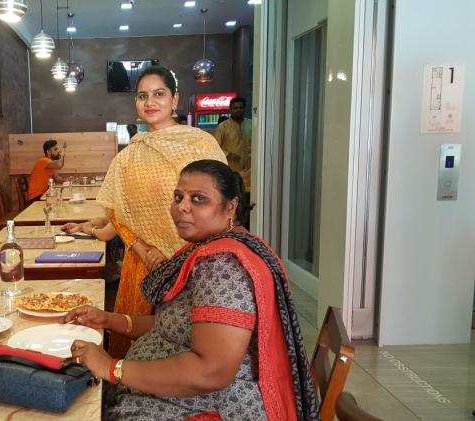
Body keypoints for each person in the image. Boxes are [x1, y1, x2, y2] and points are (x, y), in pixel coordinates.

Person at [63, 160, 319, 421]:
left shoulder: (223, 266)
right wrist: (108, 320)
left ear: (230, 207)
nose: (182, 207)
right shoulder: (215, 247)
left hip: (206, 409)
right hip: (173, 397)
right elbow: (175, 325)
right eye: (179, 197)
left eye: (198, 199)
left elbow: (211, 372)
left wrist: (111, 368)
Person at [97, 65, 227, 358]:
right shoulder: (128, 156)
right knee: (136, 351)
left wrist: (177, 254)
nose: (150, 102)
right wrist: (144, 250)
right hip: (141, 264)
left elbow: (218, 203)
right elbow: (119, 213)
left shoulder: (200, 143)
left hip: (194, 263)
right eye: (143, 96)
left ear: (174, 99)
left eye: (159, 94)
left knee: (186, 348)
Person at [215, 97, 252, 173]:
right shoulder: (223, 126)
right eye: (235, 108)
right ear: (230, 110)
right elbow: (215, 147)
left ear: (244, 109)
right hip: (230, 168)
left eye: (241, 107)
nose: (238, 110)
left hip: (248, 169)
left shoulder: (250, 124)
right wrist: (228, 154)